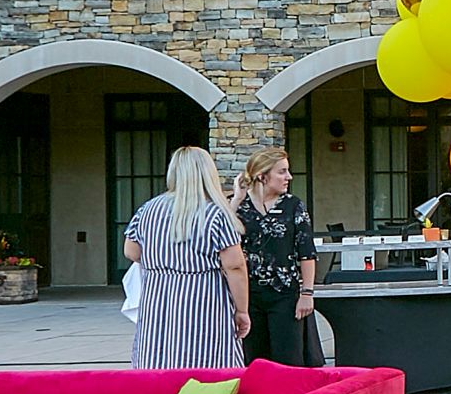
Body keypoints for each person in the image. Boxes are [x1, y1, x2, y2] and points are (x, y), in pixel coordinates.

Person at [124, 146, 248, 369]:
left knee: (158, 359)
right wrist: (242, 310)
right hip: (204, 299)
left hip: (158, 298)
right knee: (207, 362)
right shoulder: (216, 213)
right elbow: (235, 266)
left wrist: (163, 261)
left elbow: (131, 251)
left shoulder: (148, 210)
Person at [231, 146, 318, 366]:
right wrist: (235, 201)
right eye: (282, 171)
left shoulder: (293, 205)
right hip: (247, 296)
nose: (288, 177)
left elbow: (306, 252)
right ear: (262, 175)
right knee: (254, 360)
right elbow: (220, 238)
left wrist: (307, 293)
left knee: (288, 359)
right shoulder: (239, 206)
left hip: (285, 295)